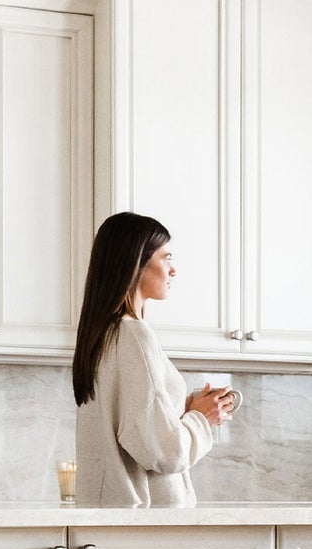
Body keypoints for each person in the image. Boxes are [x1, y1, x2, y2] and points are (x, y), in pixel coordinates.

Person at [72, 212, 235, 508]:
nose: (173, 270)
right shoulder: (134, 335)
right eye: (166, 258)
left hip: (111, 520)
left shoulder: (104, 334)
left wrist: (181, 409)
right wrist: (202, 418)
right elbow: (164, 452)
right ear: (135, 263)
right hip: (143, 525)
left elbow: (134, 425)